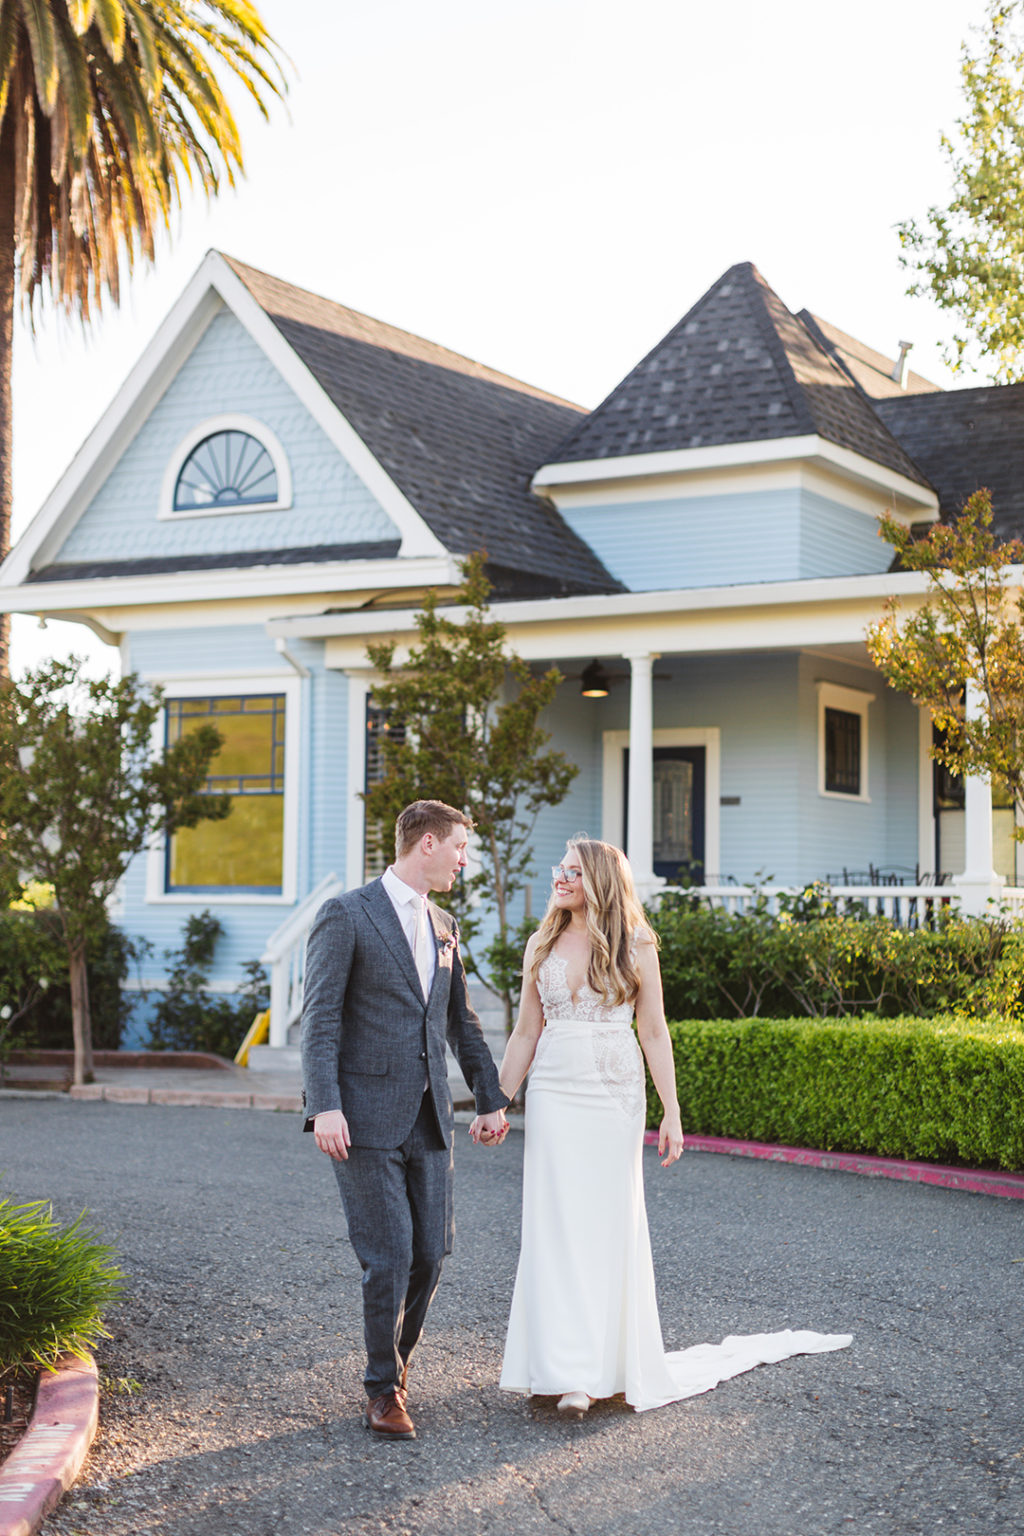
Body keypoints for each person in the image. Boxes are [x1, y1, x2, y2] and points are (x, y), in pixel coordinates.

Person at [479, 837, 851, 1415]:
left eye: (573, 871)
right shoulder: (541, 942)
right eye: (560, 869)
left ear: (599, 879)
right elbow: (526, 1031)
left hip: (612, 1093)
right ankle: (551, 1365)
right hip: (552, 1092)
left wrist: (671, 1112)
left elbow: (653, 1031)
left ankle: (594, 1372)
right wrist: (495, 1100)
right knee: (553, 1221)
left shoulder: (637, 944)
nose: (561, 878)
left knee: (603, 1223)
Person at [301, 799, 509, 1441]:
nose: (464, 860)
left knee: (431, 1255)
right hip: (362, 1116)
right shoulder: (347, 913)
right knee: (387, 1254)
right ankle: (381, 1388)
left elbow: (459, 1023)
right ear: (426, 843)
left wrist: (492, 1094)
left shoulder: (445, 925)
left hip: (430, 1118)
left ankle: (397, 1363)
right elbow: (321, 1016)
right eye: (459, 848)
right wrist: (323, 1104)